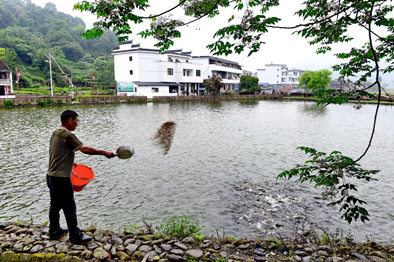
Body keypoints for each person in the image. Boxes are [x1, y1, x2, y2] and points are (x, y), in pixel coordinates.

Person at [47, 110, 116, 244]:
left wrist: (70, 162)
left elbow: (56, 152)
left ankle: (54, 231)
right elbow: (84, 149)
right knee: (69, 206)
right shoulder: (68, 135)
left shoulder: (55, 133)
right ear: (70, 121)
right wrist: (104, 153)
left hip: (50, 176)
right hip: (61, 178)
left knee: (54, 205)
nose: (77, 124)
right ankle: (75, 235)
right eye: (76, 121)